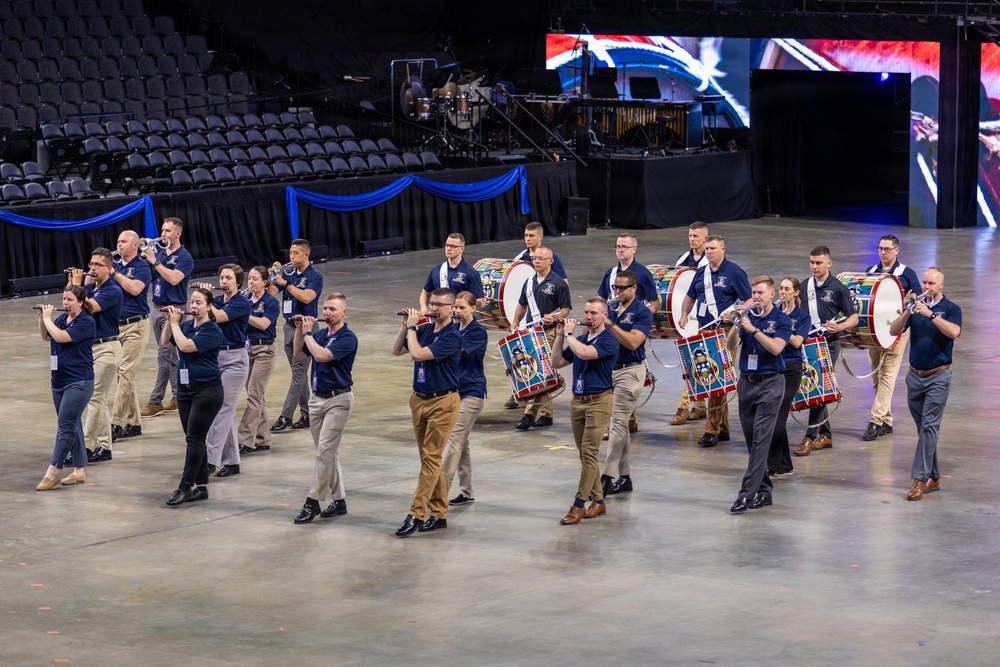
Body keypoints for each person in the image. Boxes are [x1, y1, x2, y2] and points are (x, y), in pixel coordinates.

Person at [391, 288, 462, 537]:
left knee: (431, 457)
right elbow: (397, 350)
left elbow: (418, 354)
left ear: (451, 308)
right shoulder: (425, 329)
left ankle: (416, 513)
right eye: (431, 304)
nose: (433, 309)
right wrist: (405, 326)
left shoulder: (452, 336)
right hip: (419, 399)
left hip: (443, 402)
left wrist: (412, 329)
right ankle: (440, 513)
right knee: (428, 460)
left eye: (440, 305)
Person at [888, 267, 961, 501]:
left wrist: (930, 314)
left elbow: (954, 332)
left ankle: (919, 479)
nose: (926, 287)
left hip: (938, 377)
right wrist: (908, 312)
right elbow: (893, 330)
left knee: (929, 427)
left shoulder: (951, 309)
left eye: (932, 283)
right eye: (925, 282)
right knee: (924, 430)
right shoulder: (915, 308)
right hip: (914, 377)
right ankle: (934, 476)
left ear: (941, 286)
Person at [724, 276, 792, 514]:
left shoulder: (782, 319)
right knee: (753, 442)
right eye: (753, 293)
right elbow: (731, 345)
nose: (756, 297)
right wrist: (736, 324)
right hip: (747, 383)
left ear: (772, 294)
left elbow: (776, 348)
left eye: (760, 293)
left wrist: (753, 329)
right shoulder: (747, 317)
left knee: (761, 440)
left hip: (771, 384)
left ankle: (746, 494)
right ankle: (764, 491)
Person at [679, 234, 752, 447]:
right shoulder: (701, 272)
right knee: (712, 379)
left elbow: (749, 300)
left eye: (713, 248)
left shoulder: (734, 272)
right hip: (705, 331)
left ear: (723, 249)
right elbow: (690, 296)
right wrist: (684, 314)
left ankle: (711, 430)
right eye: (707, 248)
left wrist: (736, 312)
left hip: (727, 331)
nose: (709, 252)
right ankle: (723, 429)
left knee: (717, 379)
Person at [291, 293, 358, 524]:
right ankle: (339, 501)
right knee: (327, 453)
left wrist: (308, 333)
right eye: (326, 308)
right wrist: (300, 330)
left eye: (332, 309)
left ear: (343, 312)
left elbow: (320, 356)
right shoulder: (320, 334)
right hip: (317, 400)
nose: (327, 312)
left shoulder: (348, 338)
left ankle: (312, 502)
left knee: (324, 453)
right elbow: (299, 353)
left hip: (338, 401)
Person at [551, 298, 619, 524]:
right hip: (578, 401)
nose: (588, 317)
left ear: (603, 317)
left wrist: (569, 336)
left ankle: (578, 504)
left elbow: (584, 354)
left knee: (589, 452)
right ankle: (598, 501)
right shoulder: (579, 339)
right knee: (585, 455)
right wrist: (561, 335)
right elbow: (557, 362)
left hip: (599, 402)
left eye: (594, 313)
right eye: (587, 312)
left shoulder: (609, 341)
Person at [794, 246, 858, 456]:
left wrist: (839, 327)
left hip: (828, 344)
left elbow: (853, 318)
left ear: (829, 263)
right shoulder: (804, 286)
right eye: (812, 262)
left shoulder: (838, 288)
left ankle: (810, 436)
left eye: (819, 263)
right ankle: (827, 435)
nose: (814, 266)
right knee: (816, 387)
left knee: (816, 387)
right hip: (808, 344)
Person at [162, 288, 224, 506]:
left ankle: (185, 486)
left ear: (209, 307)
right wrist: (170, 322)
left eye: (199, 302)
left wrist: (176, 324)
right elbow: (166, 343)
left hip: (207, 390)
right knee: (193, 437)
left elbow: (186, 347)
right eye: (192, 302)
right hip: (186, 389)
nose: (194, 306)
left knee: (195, 438)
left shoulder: (212, 330)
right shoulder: (187, 326)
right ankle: (202, 486)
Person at [598, 271, 653, 498]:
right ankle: (625, 477)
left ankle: (607, 477)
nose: (618, 292)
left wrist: (609, 323)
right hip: (608, 371)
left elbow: (632, 342)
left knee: (618, 424)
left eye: (622, 288)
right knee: (620, 426)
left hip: (630, 372)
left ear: (633, 288)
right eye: (615, 288)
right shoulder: (610, 309)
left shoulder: (642, 313)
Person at [35, 288, 96, 490]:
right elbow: (46, 336)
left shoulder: (86, 322)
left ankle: (53, 470)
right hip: (59, 381)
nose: (66, 302)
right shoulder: (62, 319)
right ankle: (79, 470)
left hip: (78, 381)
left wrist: (48, 318)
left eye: (70, 299)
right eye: (64, 299)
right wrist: (42, 319)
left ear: (80, 302)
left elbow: (61, 337)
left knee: (65, 426)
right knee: (72, 423)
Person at [596, 234, 657, 438]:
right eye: (617, 246)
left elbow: (654, 302)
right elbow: (601, 299)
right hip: (610, 332)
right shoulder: (610, 273)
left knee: (628, 369)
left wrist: (643, 319)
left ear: (634, 249)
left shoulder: (642, 274)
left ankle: (618, 423)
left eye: (624, 246)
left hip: (632, 327)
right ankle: (627, 420)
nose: (620, 250)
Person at [862, 234, 921, 441]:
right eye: (880, 249)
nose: (883, 253)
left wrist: (909, 302)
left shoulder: (906, 274)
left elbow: (918, 301)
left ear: (897, 250)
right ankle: (886, 420)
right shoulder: (870, 272)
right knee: (877, 376)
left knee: (887, 375)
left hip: (897, 332)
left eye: (887, 249)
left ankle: (875, 421)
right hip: (873, 333)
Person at [504, 221, 568, 409]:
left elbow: (563, 286)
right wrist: (515, 320)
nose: (528, 239)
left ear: (540, 237)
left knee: (543, 364)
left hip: (547, 323)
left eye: (531, 235)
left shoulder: (550, 257)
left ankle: (538, 410)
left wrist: (556, 315)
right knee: (524, 360)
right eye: (525, 235)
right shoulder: (520, 258)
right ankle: (521, 391)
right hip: (528, 323)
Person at [196, 265, 250, 477]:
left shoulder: (241, 303)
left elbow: (217, 317)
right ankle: (233, 461)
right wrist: (203, 298)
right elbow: (202, 316)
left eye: (229, 277)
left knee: (222, 409)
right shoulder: (217, 302)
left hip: (235, 359)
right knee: (227, 412)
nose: (224, 280)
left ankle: (210, 460)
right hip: (216, 357)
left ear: (238, 282)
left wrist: (206, 297)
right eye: (221, 277)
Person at [68, 248, 122, 463]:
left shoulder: (113, 290)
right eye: (91, 264)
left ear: (109, 268)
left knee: (94, 398)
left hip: (107, 348)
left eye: (97, 265)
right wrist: (74, 285)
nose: (92, 268)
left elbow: (85, 308)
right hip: (91, 348)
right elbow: (69, 305)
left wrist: (78, 286)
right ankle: (105, 447)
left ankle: (86, 447)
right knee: (99, 400)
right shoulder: (90, 287)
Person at [510, 246, 571, 431]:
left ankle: (529, 414)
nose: (536, 261)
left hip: (551, 332)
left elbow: (566, 309)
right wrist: (515, 321)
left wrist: (555, 316)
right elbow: (522, 305)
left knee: (541, 372)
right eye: (534, 258)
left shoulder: (559, 283)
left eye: (540, 259)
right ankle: (546, 415)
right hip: (532, 333)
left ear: (550, 261)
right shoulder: (529, 282)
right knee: (542, 373)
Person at [268, 238, 323, 433]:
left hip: (306, 327)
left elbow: (307, 297)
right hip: (289, 326)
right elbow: (271, 292)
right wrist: (273, 278)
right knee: (297, 375)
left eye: (296, 253)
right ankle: (307, 413)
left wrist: (286, 283)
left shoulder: (314, 276)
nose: (291, 257)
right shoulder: (289, 272)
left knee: (299, 373)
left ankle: (286, 416)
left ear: (306, 255)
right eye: (290, 253)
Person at [142, 217, 194, 417]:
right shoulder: (160, 253)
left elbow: (173, 279)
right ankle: (179, 395)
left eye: (168, 231)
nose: (163, 234)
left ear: (178, 233)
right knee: (171, 357)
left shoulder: (184, 257)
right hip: (156, 308)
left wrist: (155, 262)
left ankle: (155, 401)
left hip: (174, 311)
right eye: (162, 230)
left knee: (164, 356)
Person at [441, 291, 488, 506]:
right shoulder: (451, 328)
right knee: (462, 443)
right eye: (455, 307)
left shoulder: (477, 332)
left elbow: (455, 351)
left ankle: (438, 495)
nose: (457, 311)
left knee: (453, 441)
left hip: (472, 393)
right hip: (452, 392)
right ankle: (467, 491)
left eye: (462, 308)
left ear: (473, 309)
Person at [110, 231, 151, 440]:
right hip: (116, 326)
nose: (119, 245)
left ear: (135, 245)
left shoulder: (142, 266)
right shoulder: (116, 266)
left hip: (136, 326)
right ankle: (134, 423)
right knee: (123, 375)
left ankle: (115, 423)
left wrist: (114, 274)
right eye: (118, 241)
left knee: (125, 373)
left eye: (123, 241)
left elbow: (135, 289)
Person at [767, 277, 810, 478]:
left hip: (792, 369)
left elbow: (796, 342)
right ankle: (783, 465)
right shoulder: (773, 313)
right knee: (776, 417)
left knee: (778, 415)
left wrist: (782, 326)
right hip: (774, 367)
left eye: (787, 289)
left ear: (796, 292)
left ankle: (776, 464)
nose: (783, 292)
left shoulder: (802, 317)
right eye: (781, 288)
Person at [238, 267, 281, 453]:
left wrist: (242, 314)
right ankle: (263, 438)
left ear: (264, 282)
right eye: (249, 279)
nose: (251, 282)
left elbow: (264, 324)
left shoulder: (271, 302)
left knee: (254, 393)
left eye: (255, 279)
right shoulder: (245, 300)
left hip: (265, 349)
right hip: (247, 349)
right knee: (256, 395)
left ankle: (244, 439)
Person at [671, 221, 710, 425]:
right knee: (693, 359)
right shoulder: (682, 259)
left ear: (705, 237)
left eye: (696, 236)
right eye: (690, 236)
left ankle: (684, 406)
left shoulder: (710, 259)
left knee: (697, 359)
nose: (692, 239)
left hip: (704, 317)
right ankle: (701, 405)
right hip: (686, 317)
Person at [419, 233, 485, 311]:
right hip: (440, 318)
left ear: (462, 249)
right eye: (447, 245)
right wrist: (424, 307)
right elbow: (425, 292)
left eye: (453, 246)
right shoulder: (437, 270)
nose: (448, 248)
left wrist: (464, 307)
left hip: (460, 319)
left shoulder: (471, 273)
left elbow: (481, 302)